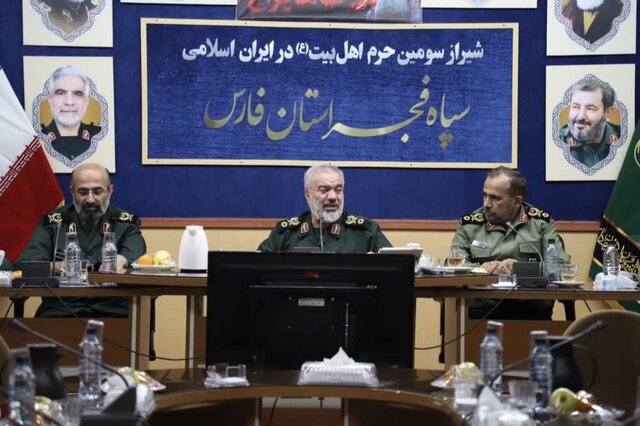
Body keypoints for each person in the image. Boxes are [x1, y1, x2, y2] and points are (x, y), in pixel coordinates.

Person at [17, 162, 146, 317]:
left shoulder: (125, 224)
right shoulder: (54, 224)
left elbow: (137, 256)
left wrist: (122, 260)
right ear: (72, 191)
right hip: (61, 309)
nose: (90, 199)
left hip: (113, 310)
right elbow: (26, 266)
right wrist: (58, 267)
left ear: (110, 191)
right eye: (83, 192)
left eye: (97, 192)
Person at [451, 166, 570, 320]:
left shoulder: (541, 224)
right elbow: (453, 265)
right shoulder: (469, 225)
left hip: (530, 310)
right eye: (485, 195)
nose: (486, 203)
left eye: (495, 198)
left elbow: (560, 267)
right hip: (480, 311)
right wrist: (483, 270)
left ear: (517, 201)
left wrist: (519, 269)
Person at [258, 164, 392, 253]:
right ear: (307, 194)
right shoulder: (285, 233)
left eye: (338, 190)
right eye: (324, 190)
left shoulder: (366, 232)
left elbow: (395, 269)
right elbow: (256, 269)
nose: (333, 197)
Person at [41, 65, 101, 162]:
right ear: (50, 99)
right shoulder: (38, 137)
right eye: (60, 93)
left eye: (77, 94)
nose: (69, 102)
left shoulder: (98, 134)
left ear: (86, 102)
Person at [559, 80, 620, 168]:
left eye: (590, 108)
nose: (580, 117)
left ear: (608, 112)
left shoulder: (622, 138)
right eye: (576, 107)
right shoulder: (557, 139)